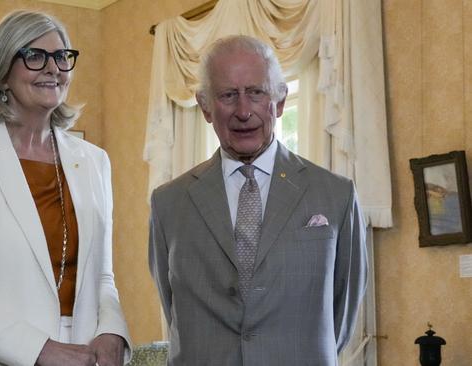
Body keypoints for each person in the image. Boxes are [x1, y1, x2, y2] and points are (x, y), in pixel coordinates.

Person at [0, 10, 131, 366]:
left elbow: (103, 276)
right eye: (35, 56)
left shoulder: (95, 161)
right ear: (1, 73)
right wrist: (41, 350)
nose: (54, 69)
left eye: (62, 57)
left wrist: (113, 331)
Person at [148, 35, 367, 365]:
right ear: (206, 106)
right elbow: (172, 304)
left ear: (279, 102)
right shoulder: (169, 203)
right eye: (227, 95)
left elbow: (343, 311)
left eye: (256, 92)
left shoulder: (335, 194)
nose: (243, 111)